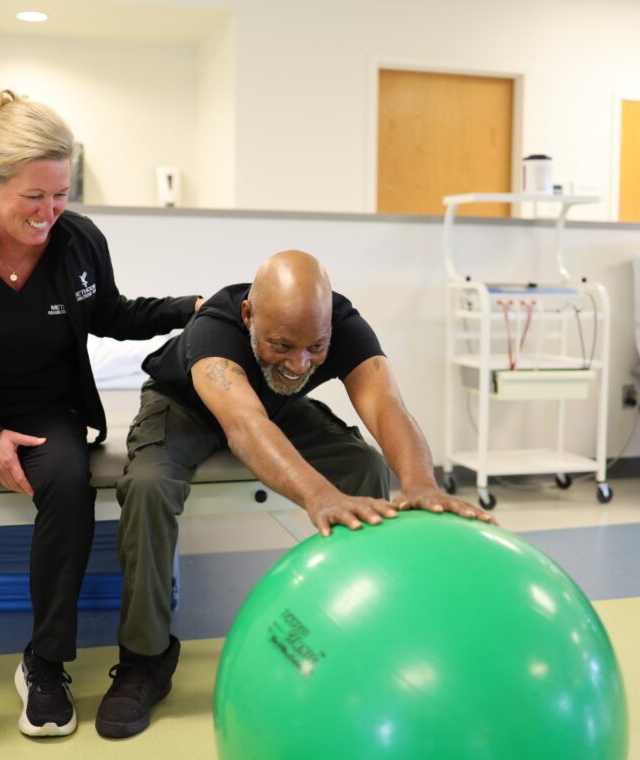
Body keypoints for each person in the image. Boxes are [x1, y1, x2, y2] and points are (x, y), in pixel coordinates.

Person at [0, 89, 201, 760]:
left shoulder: (77, 241)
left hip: (42, 404)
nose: (49, 213)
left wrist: (190, 306)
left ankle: (46, 663)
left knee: (69, 483)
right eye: (34, 197)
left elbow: (110, 312)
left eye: (61, 194)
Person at [95, 249, 495, 740]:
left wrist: (420, 485)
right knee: (148, 486)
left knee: (363, 465)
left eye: (315, 347)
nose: (299, 362)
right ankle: (144, 661)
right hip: (186, 407)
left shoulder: (342, 326)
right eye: (282, 344)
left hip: (274, 408)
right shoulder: (215, 328)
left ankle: (366, 627)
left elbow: (386, 404)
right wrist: (317, 494)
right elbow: (244, 426)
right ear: (248, 315)